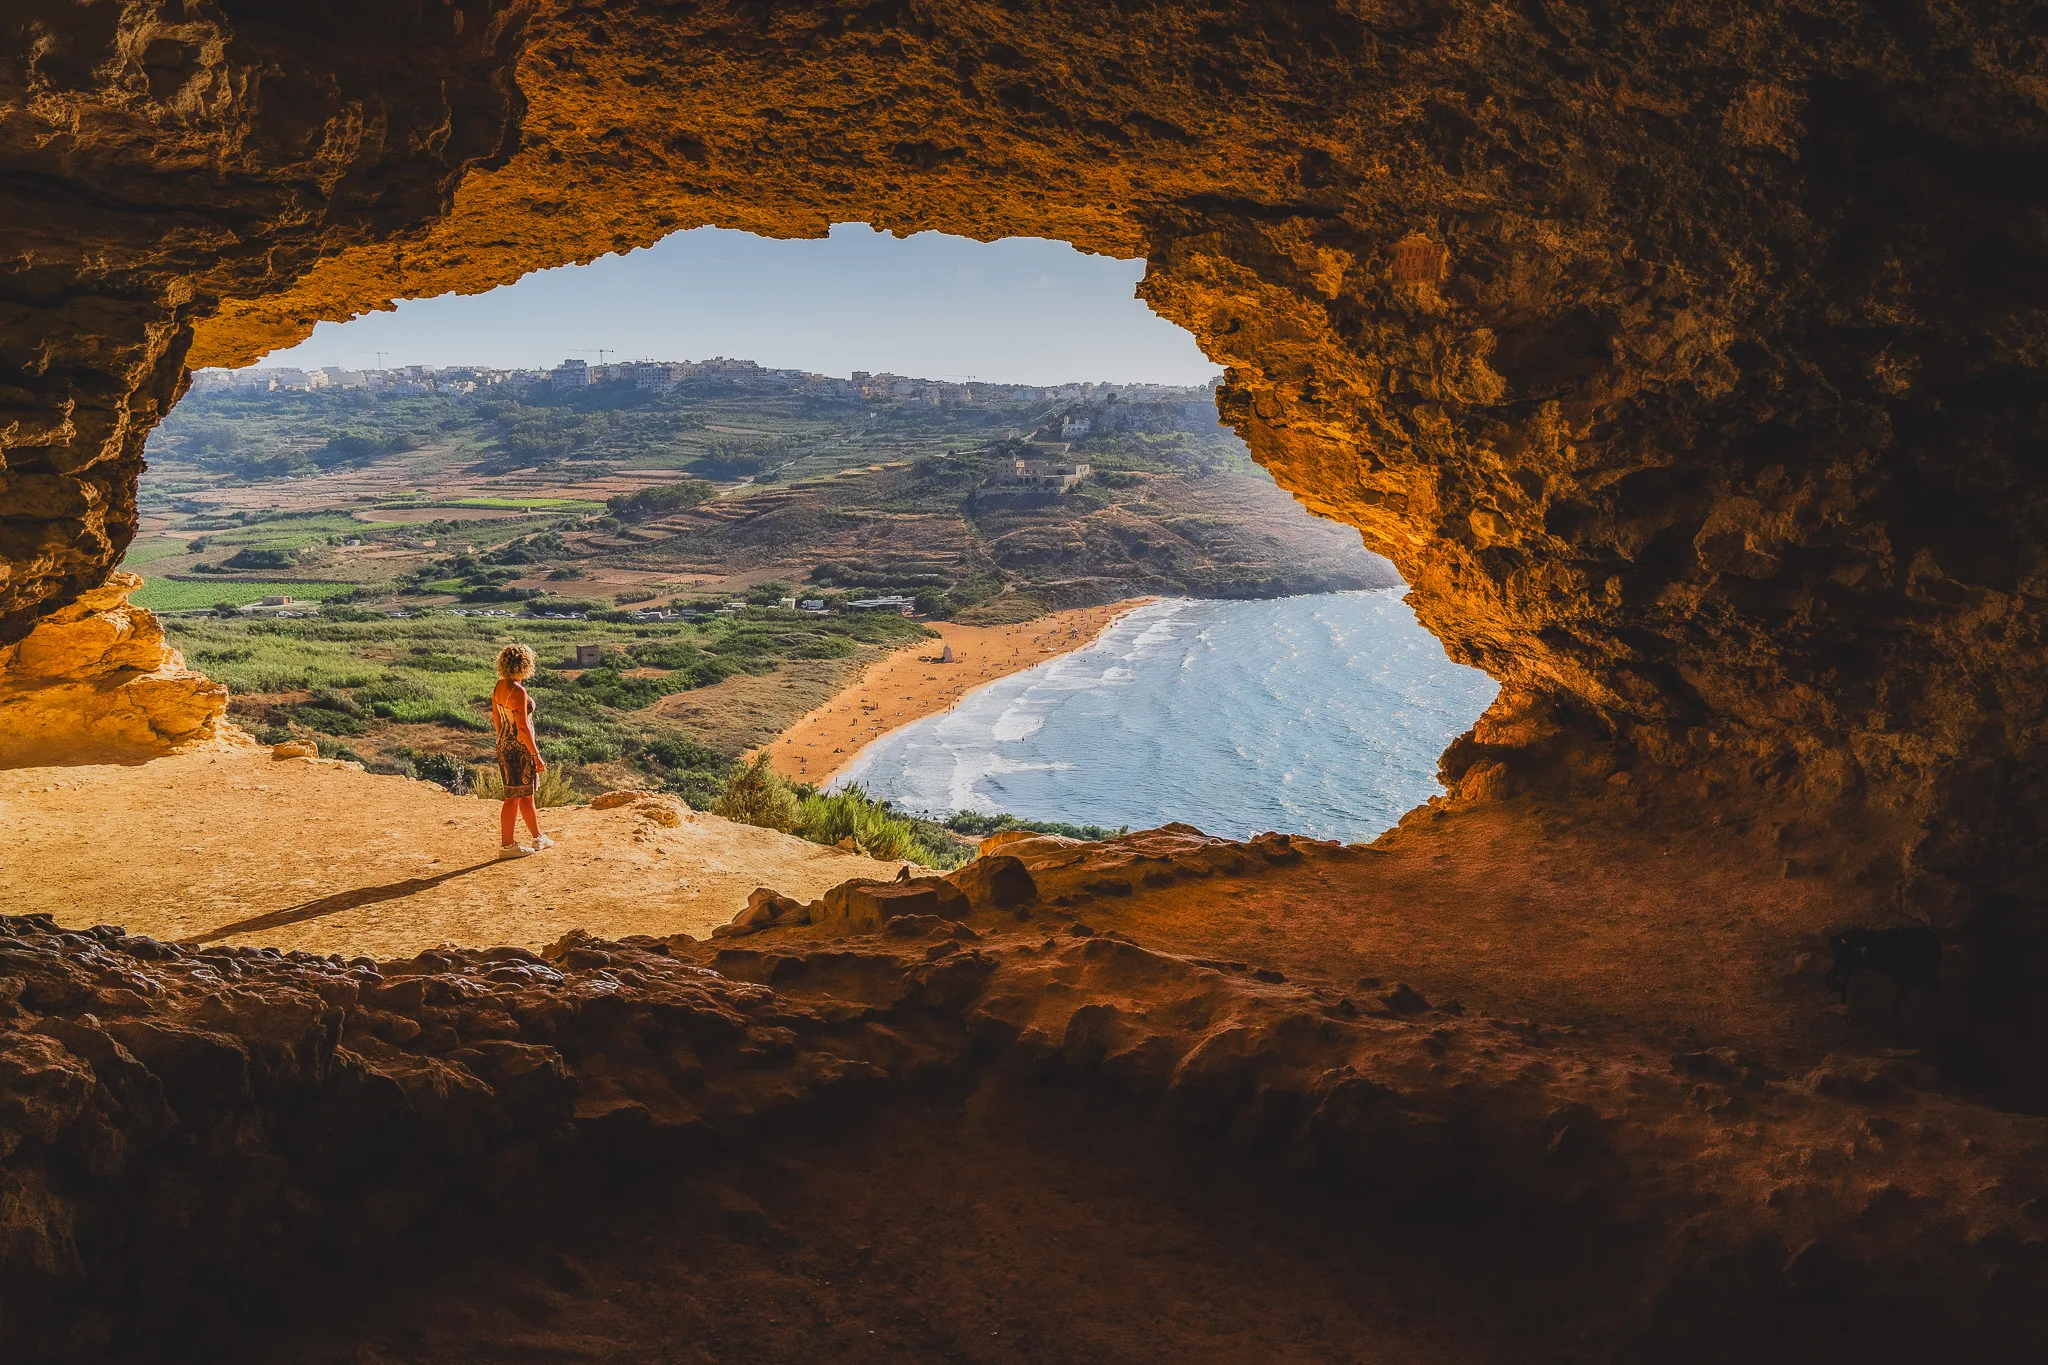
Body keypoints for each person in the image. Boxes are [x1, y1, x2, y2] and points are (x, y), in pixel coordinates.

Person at [491, 643, 552, 857]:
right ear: (524, 664)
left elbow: (497, 718)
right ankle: (507, 846)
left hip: (505, 745)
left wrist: (503, 741)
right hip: (520, 748)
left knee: (524, 795)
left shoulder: (499, 686)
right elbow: (523, 727)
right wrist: (536, 755)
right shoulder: (518, 691)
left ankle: (538, 838)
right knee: (514, 798)